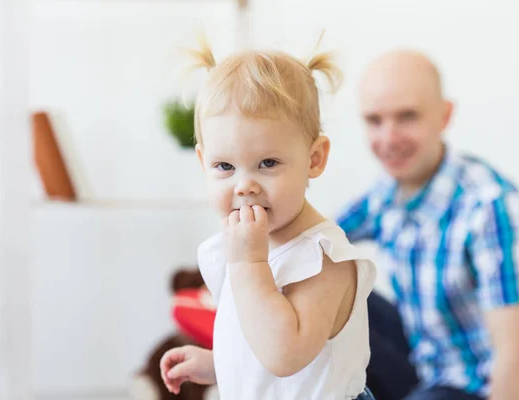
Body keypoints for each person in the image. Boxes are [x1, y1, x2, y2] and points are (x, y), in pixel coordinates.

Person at [337, 50, 519, 400]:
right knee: (337, 282)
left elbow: (516, 358)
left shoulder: (492, 208)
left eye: (407, 117)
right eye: (375, 120)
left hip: (488, 385)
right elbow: (318, 238)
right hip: (432, 366)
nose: (389, 138)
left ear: (444, 116)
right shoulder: (385, 194)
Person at [160, 34, 377, 400]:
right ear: (203, 163)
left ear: (314, 159)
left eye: (268, 163)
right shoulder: (251, 248)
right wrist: (220, 362)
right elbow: (260, 343)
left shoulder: (322, 259)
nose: (245, 186)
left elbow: (285, 354)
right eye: (224, 166)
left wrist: (248, 264)